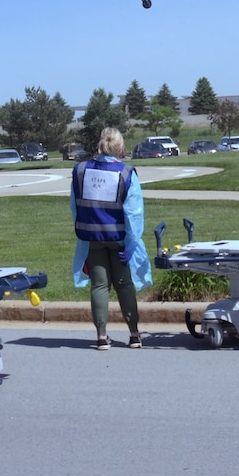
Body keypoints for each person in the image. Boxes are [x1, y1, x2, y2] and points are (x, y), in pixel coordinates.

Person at [70, 127, 151, 349]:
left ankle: (101, 336)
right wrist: (133, 242)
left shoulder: (80, 171)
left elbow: (74, 208)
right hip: (119, 239)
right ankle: (134, 334)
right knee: (124, 285)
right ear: (120, 149)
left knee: (99, 285)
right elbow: (134, 213)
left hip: (92, 238)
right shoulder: (126, 173)